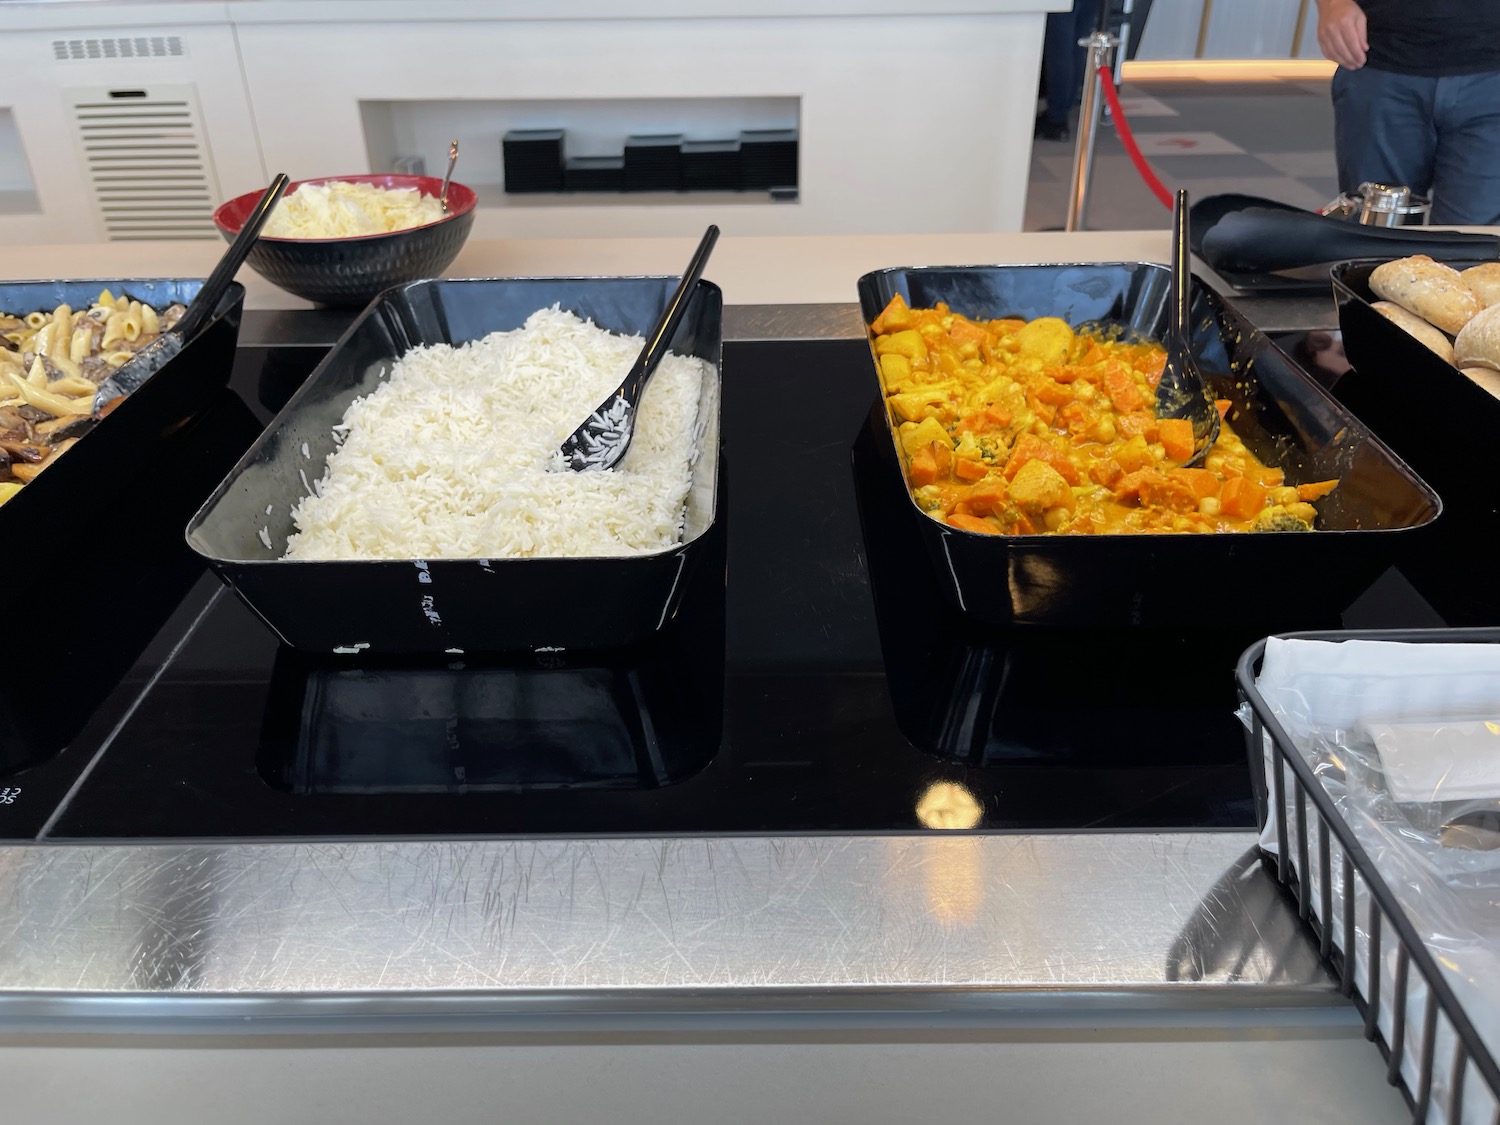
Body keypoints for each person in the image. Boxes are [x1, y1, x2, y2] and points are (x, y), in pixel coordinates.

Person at [1316, 0, 1500, 225]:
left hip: (1492, 78)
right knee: (1374, 236)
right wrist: (1333, 4)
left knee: (1470, 246)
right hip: (1379, 62)